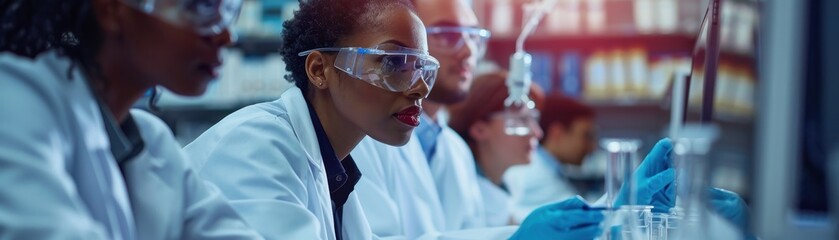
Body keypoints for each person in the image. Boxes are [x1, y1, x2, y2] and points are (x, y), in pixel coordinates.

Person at [0, 0, 263, 239]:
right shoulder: (15, 100)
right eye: (199, 8)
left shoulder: (152, 144)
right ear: (111, 10)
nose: (225, 36)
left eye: (228, 12)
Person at [182, 0, 443, 239]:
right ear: (319, 70)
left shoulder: (337, 175)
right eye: (394, 64)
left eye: (421, 68)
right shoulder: (253, 146)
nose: (419, 87)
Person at [447, 71, 545, 225]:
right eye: (521, 120)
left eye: (533, 119)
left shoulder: (508, 183)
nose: (537, 133)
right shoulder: (457, 190)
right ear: (479, 129)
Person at [503, 94, 599, 222]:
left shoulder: (548, 169)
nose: (592, 147)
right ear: (557, 133)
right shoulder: (529, 171)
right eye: (586, 136)